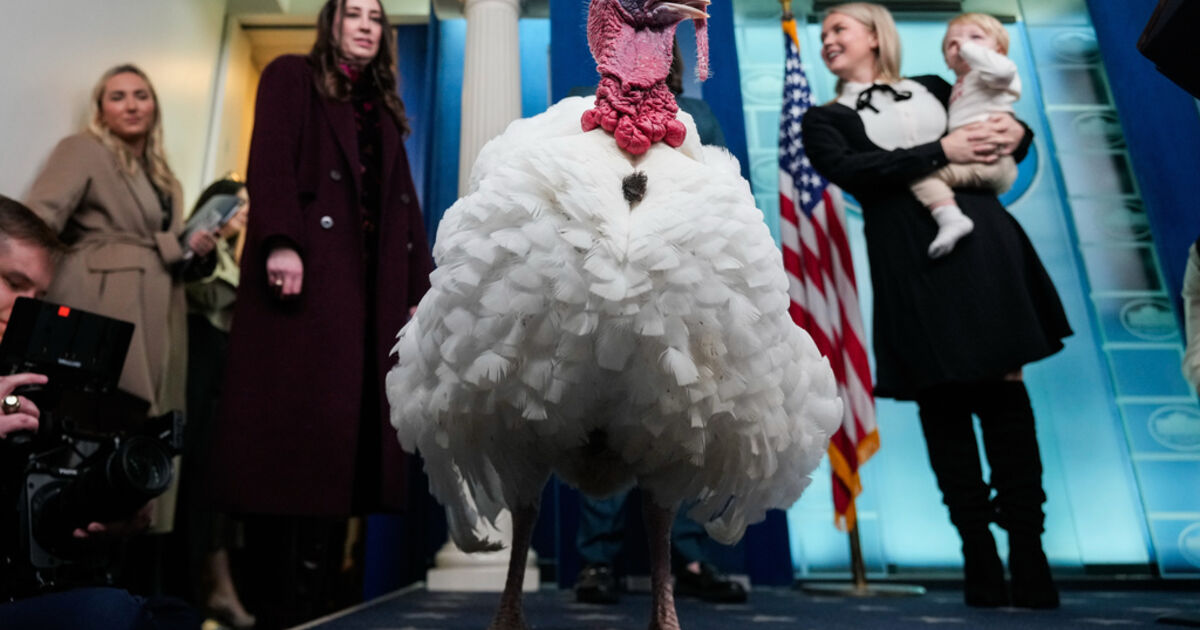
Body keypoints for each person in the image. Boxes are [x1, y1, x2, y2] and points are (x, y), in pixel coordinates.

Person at [801, 2, 1071, 609]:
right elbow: (854, 171)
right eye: (824, 34)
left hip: (984, 246)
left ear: (875, 36)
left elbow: (989, 115)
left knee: (1004, 391)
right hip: (907, 261)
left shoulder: (934, 85)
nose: (828, 41)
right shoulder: (823, 119)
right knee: (940, 400)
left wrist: (1019, 134)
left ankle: (1029, 550)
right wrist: (939, 149)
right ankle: (977, 550)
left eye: (839, 29)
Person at [206, 0, 433, 625]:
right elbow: (271, 160)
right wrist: (281, 240)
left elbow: (404, 206)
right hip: (308, 284)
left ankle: (319, 604)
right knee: (295, 444)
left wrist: (419, 286)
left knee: (345, 447)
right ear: (330, 21)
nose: (365, 25)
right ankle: (279, 605)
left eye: (375, 18)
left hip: (367, 296)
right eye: (353, 13)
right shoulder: (291, 74)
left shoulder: (382, 105)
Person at [571, 40, 745, 606]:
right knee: (605, 417)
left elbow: (727, 198)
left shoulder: (699, 115)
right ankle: (597, 561)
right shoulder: (586, 108)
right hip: (608, 277)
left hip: (686, 279)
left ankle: (686, 556)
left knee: (686, 418)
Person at [0, 195, 201, 630]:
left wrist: (117, 510)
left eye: (39, 295)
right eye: (14, 282)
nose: (28, 306)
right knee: (113, 613)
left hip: (28, 586)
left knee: (175, 614)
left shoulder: (34, 384)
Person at [26, 64, 217, 418]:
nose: (131, 106)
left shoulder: (166, 178)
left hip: (160, 300)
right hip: (101, 294)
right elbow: (40, 217)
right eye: (118, 97)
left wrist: (196, 250)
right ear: (101, 110)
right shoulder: (83, 149)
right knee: (97, 410)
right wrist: (18, 287)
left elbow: (168, 245)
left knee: (147, 418)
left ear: (154, 106)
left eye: (141, 96)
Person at [178, 178, 255, 628]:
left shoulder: (230, 255)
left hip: (220, 370)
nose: (244, 211)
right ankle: (204, 591)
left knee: (216, 480)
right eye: (237, 204)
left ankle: (216, 587)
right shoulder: (198, 251)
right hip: (198, 365)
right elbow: (203, 291)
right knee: (198, 478)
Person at [911, 13, 1021, 259]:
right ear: (946, 62)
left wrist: (970, 50)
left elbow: (1002, 71)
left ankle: (951, 219)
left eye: (976, 37)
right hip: (981, 161)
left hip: (990, 159)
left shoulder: (990, 74)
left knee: (921, 176)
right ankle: (951, 217)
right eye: (952, 44)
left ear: (999, 51)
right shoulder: (960, 84)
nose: (961, 45)